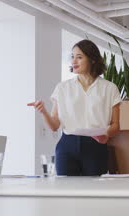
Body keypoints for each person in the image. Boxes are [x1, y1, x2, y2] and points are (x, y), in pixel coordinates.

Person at [28, 39, 121, 176]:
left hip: (96, 146)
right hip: (67, 146)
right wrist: (44, 112)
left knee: (94, 193)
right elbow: (54, 126)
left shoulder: (110, 88)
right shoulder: (63, 88)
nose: (73, 61)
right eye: (72, 57)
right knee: (66, 192)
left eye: (79, 57)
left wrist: (106, 133)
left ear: (92, 59)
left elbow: (116, 126)